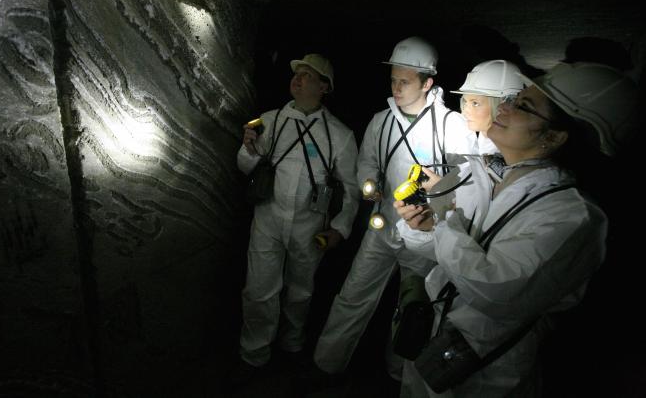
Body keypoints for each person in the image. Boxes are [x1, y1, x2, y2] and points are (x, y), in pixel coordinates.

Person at [394, 62, 638, 397]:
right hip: (434, 345)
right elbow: (450, 259)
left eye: (521, 105)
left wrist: (445, 221)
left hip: (485, 373)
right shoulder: (483, 173)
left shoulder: (572, 217)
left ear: (554, 136)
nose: (504, 107)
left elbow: (496, 289)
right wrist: (424, 228)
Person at [309, 36, 476, 383]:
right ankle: (327, 364)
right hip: (381, 227)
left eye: (405, 81)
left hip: (425, 236)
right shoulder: (381, 121)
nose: (397, 88)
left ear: (427, 82)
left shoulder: (452, 126)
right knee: (353, 294)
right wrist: (369, 181)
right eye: (393, 80)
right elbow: (368, 160)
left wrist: (440, 201)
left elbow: (468, 182)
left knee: (413, 308)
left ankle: (400, 376)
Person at [234, 53, 360, 379]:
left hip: (309, 224)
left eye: (308, 75)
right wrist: (248, 149)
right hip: (269, 217)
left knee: (300, 291)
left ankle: (292, 346)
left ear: (324, 87)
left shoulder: (340, 135)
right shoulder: (270, 119)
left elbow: (350, 189)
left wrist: (340, 228)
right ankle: (254, 354)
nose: (299, 79)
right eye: (297, 74)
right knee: (259, 288)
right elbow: (244, 165)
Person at [450, 59, 524, 155]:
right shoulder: (484, 136)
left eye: (475, 103)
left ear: (504, 105)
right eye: (465, 102)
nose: (465, 111)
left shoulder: (508, 152)